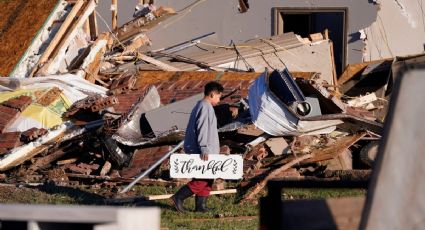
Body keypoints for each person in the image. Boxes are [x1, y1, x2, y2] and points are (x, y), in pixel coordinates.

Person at [171, 81, 224, 212]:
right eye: (219, 96)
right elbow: (203, 129)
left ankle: (201, 206)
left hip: (203, 149)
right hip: (202, 150)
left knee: (208, 178)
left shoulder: (201, 106)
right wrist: (204, 148)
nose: (219, 100)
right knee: (201, 179)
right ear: (212, 94)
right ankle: (178, 197)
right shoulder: (205, 107)